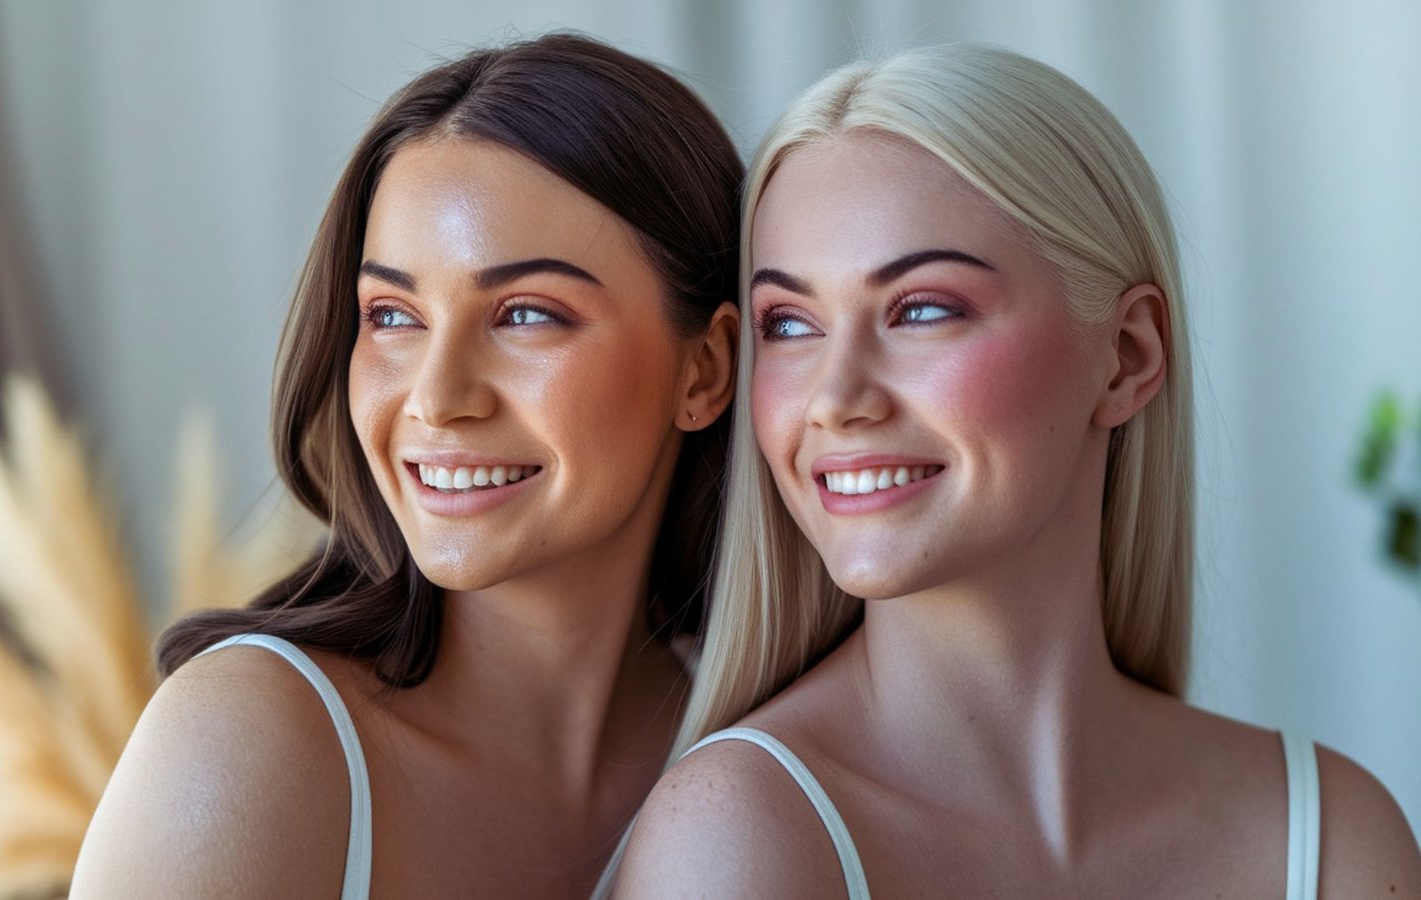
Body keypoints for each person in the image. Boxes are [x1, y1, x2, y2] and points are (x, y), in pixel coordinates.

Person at [615, 45, 1420, 898]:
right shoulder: (735, 837)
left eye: (922, 308)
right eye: (789, 324)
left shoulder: (1331, 834)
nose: (835, 398)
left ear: (1127, 355)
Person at [70, 33, 741, 898]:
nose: (436, 396)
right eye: (391, 315)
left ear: (707, 369)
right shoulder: (252, 747)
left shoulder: (760, 752)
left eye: (527, 314)